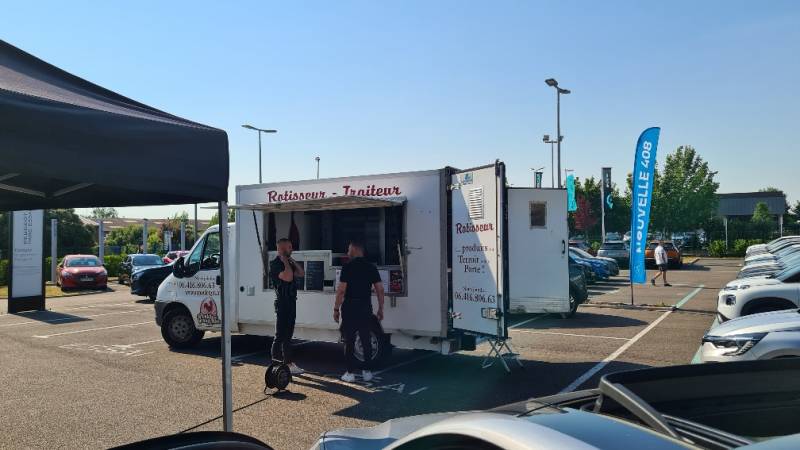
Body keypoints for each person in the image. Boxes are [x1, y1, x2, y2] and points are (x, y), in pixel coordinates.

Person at [334, 240, 385, 383]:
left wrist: (336, 309)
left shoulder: (347, 267)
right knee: (365, 338)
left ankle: (350, 373)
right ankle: (367, 372)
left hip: (350, 307)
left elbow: (341, 291)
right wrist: (381, 308)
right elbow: (380, 289)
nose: (347, 252)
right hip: (365, 307)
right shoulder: (371, 267)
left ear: (356, 250)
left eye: (349, 249)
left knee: (349, 340)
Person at [269, 238, 305, 375]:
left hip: (291, 302)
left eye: (290, 247)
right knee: (280, 336)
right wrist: (284, 260)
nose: (290, 249)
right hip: (282, 303)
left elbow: (301, 273)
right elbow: (288, 277)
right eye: (287, 248)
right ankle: (275, 364)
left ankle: (288, 363)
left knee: (288, 336)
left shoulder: (290, 262)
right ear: (280, 249)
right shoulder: (276, 264)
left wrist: (292, 260)